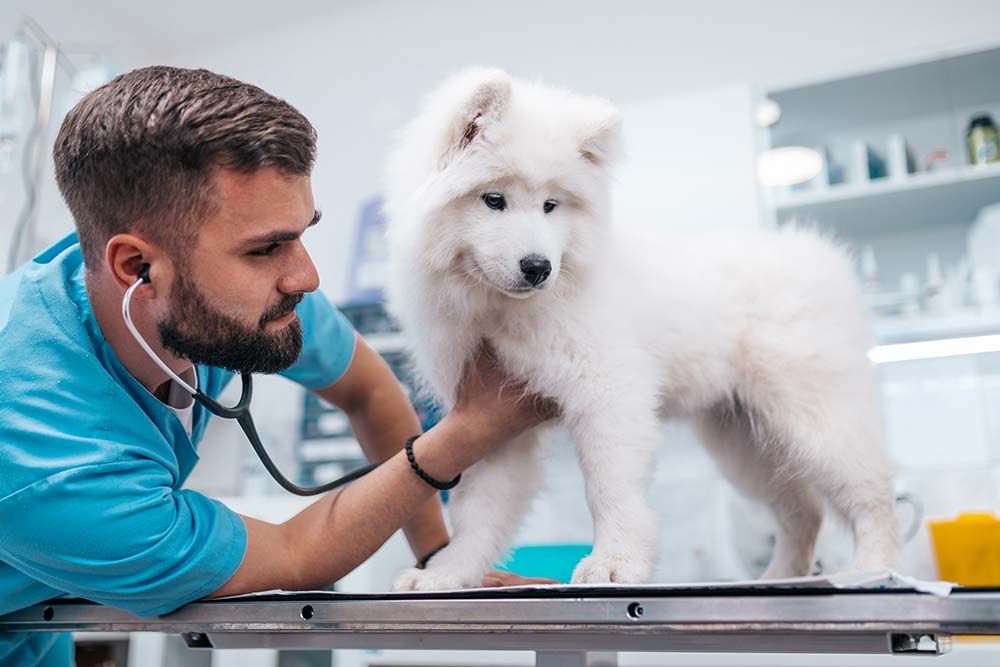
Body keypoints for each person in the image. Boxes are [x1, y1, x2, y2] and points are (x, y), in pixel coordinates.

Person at [0, 66, 556, 666]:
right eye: (266, 248)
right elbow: (295, 552)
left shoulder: (220, 295)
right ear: (136, 266)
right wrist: (471, 429)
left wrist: (437, 555)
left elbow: (368, 391)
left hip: (31, 626)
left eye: (300, 235)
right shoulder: (49, 463)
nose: (306, 277)